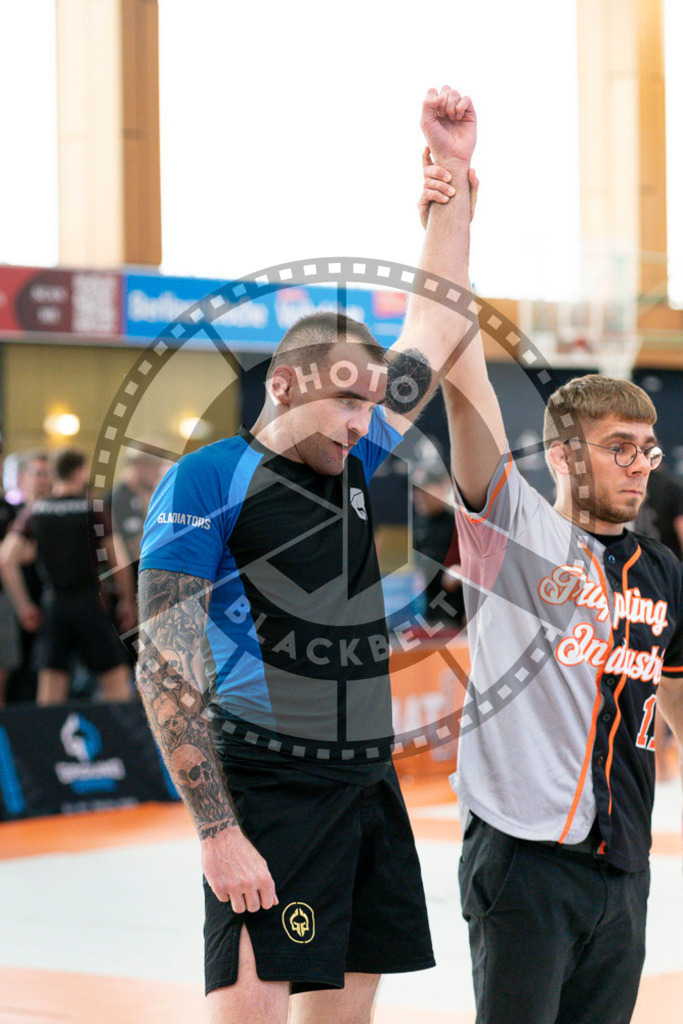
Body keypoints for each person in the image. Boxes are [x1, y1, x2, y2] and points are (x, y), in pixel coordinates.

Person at [135, 86, 479, 1024]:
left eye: (373, 405)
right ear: (284, 385)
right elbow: (163, 660)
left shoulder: (355, 453)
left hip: (362, 778)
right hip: (266, 783)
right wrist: (217, 833)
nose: (368, 423)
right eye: (347, 404)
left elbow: (436, 327)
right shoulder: (204, 482)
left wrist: (452, 190)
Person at [421, 146, 683, 1021]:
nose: (639, 467)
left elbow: (675, 702)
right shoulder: (511, 533)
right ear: (564, 454)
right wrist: (450, 217)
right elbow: (456, 361)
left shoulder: (662, 574)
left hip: (624, 863)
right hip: (525, 863)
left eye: (646, 450)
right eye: (618, 448)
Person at [0, 448, 135, 704]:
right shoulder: (91, 508)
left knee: (50, 693)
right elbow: (119, 559)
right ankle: (115, 743)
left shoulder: (36, 511)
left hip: (55, 606)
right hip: (90, 605)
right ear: (79, 472)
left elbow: (6, 560)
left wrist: (24, 606)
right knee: (117, 686)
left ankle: (49, 744)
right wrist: (128, 601)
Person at [412, 460, 464, 632]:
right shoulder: (417, 526)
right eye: (416, 492)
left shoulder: (458, 523)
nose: (419, 497)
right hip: (423, 615)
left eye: (425, 491)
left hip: (454, 613)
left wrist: (461, 571)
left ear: (442, 488)